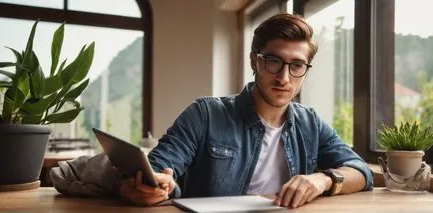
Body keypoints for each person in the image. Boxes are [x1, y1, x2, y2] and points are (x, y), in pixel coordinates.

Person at [119, 13, 373, 208]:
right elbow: (157, 168)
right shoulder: (205, 113)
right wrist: (155, 185)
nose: (284, 78)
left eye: (297, 65)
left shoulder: (311, 123)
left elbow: (360, 171)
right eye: (274, 62)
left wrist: (322, 180)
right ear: (255, 61)